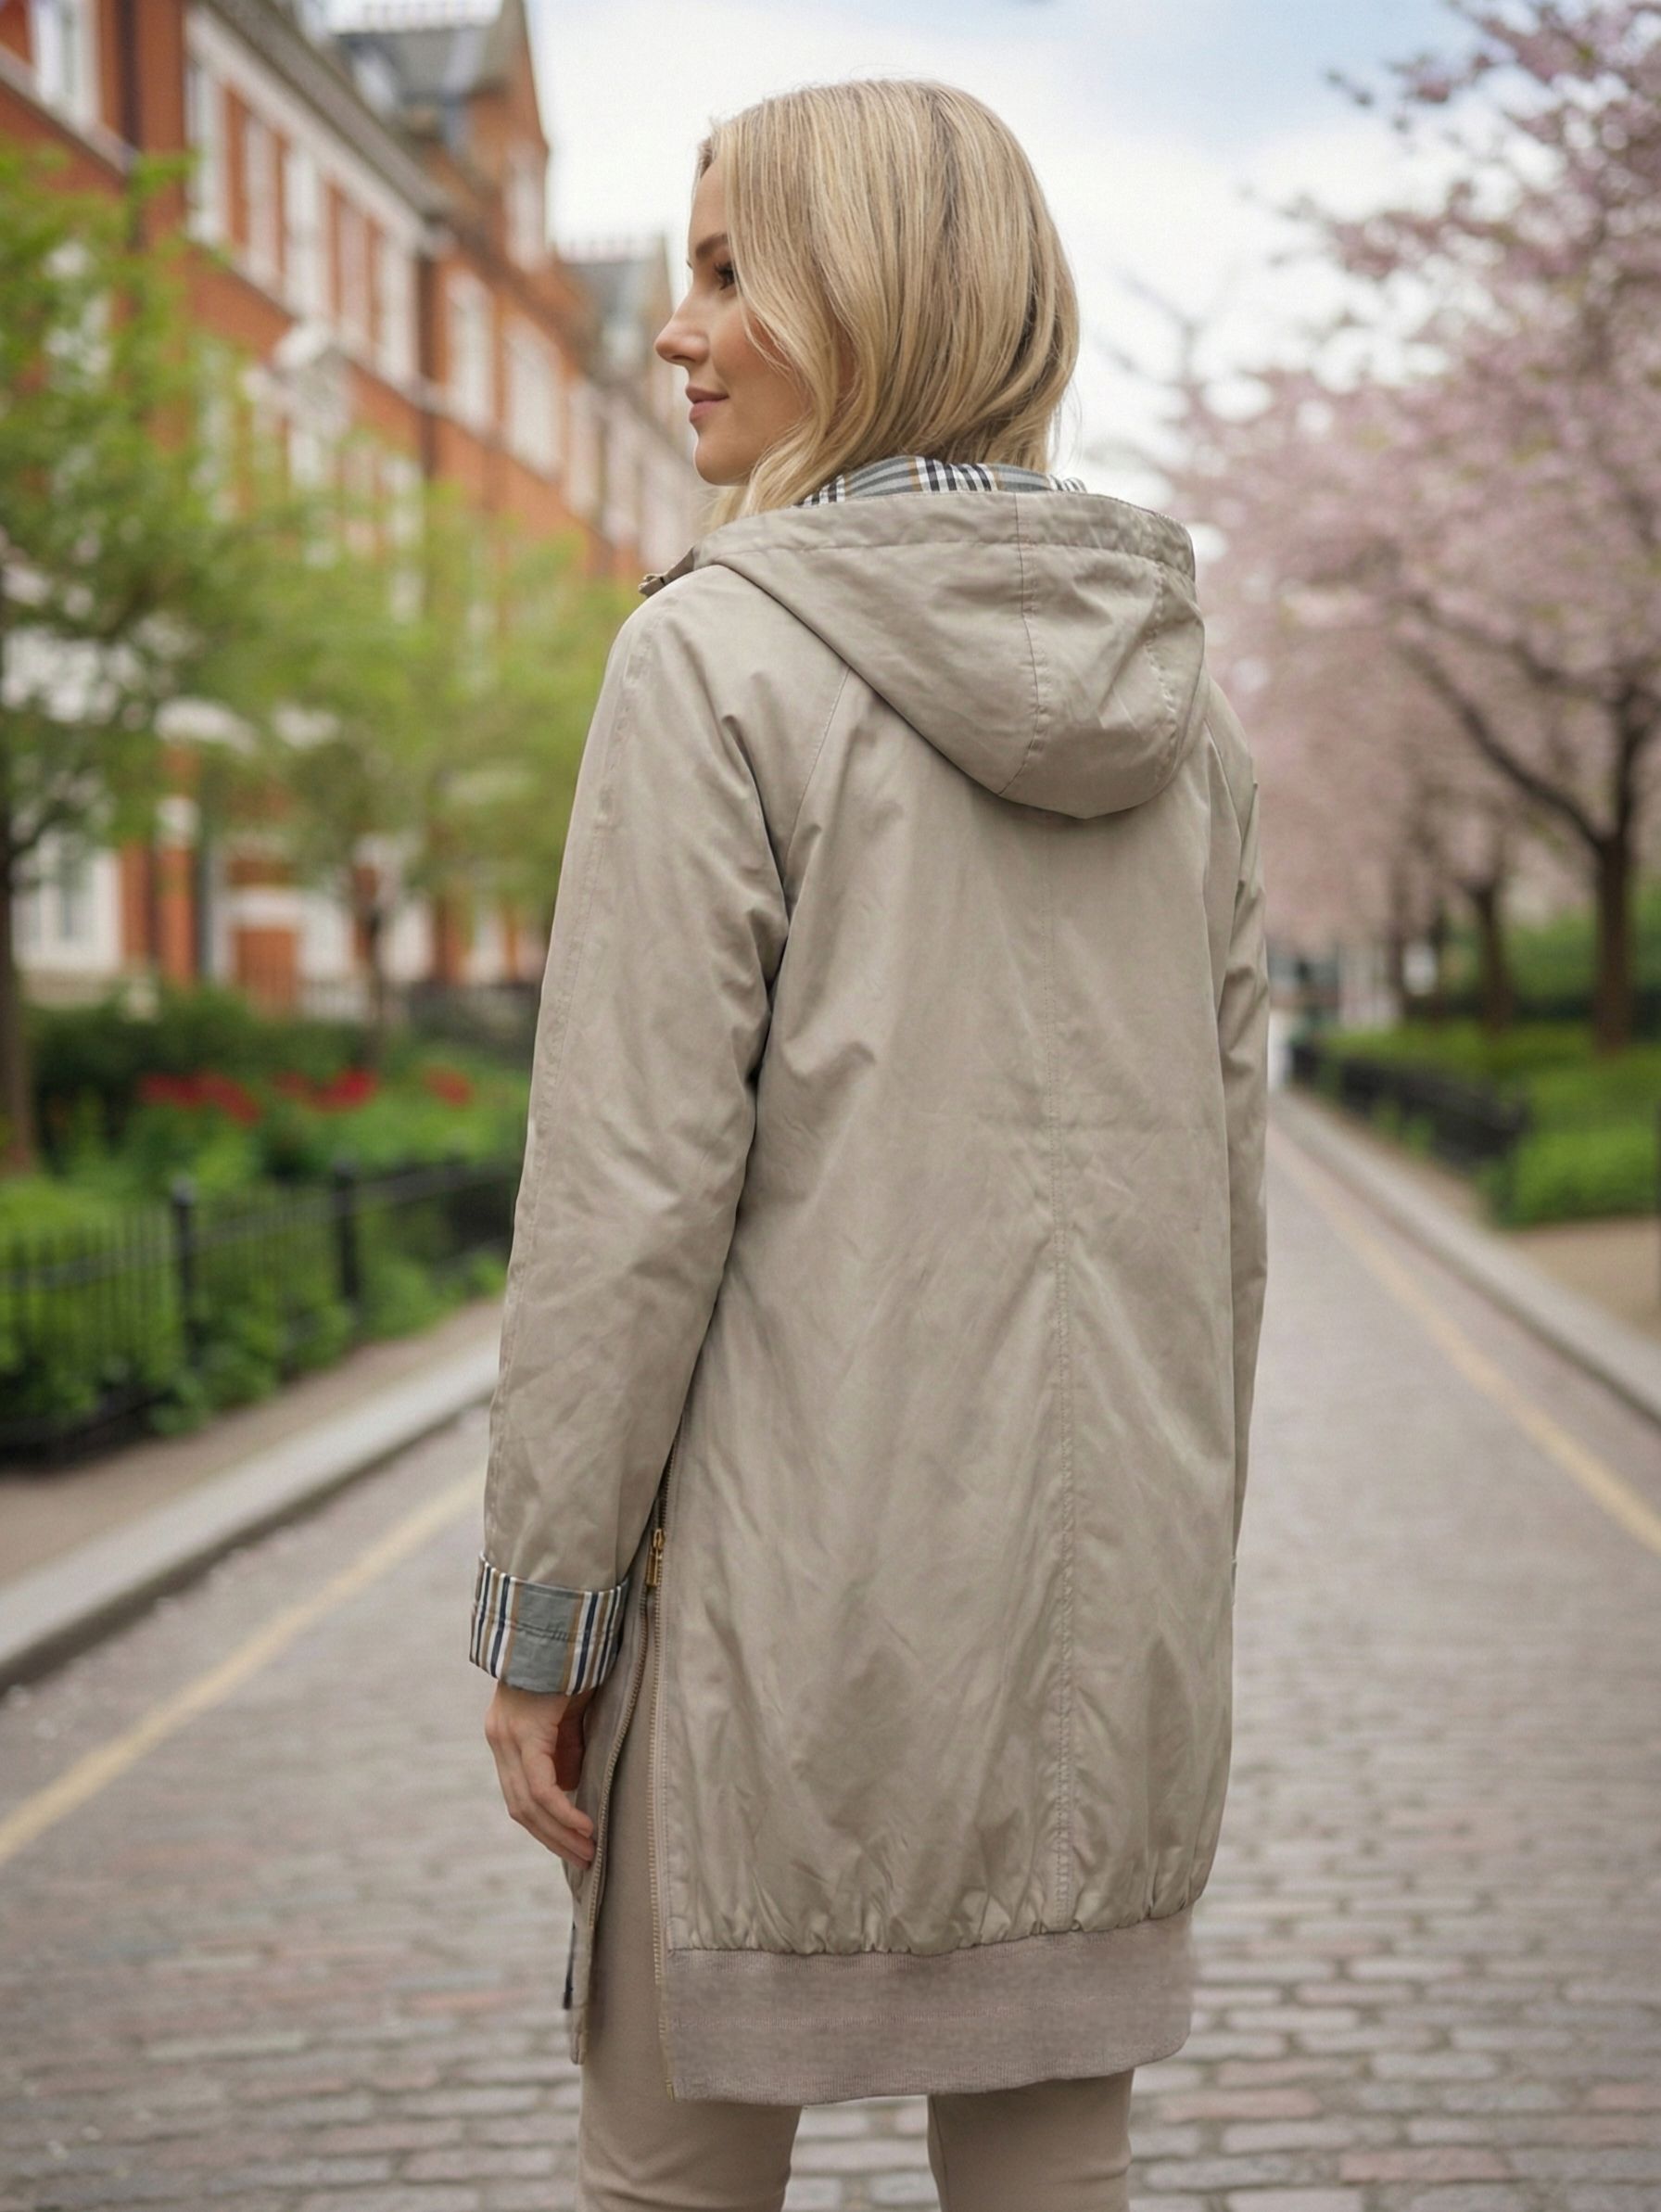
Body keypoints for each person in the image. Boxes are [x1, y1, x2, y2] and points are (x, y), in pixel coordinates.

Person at [472, 76, 1271, 2212]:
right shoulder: (1183, 715)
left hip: (773, 1615)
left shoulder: (709, 657)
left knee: (669, 2168)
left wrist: (544, 1623)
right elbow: (1224, 1221)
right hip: (1097, 1625)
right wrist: (1174, 1566)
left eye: (731, 271)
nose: (675, 327)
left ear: (876, 297)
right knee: (1048, 2173)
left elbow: (623, 1203)